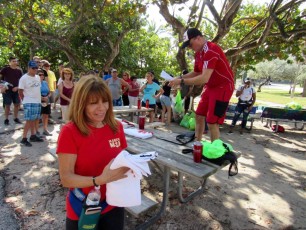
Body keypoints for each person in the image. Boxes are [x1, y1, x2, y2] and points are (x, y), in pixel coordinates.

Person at [57, 75, 129, 230]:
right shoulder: (70, 132)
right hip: (83, 207)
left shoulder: (116, 127)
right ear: (81, 104)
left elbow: (122, 160)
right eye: (93, 103)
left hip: (114, 203)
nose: (101, 107)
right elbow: (66, 178)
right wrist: (99, 180)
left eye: (105, 101)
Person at [169, 28, 234, 142]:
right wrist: (179, 78)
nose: (190, 47)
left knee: (212, 122)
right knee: (199, 116)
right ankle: (197, 143)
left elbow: (204, 78)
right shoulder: (198, 54)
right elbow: (196, 72)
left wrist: (182, 82)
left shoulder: (211, 50)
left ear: (198, 38)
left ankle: (215, 151)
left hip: (223, 87)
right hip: (210, 87)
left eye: (190, 44)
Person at [18, 61, 44, 147]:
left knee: (35, 119)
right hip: (29, 101)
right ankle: (24, 138)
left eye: (36, 68)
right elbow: (20, 91)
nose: (35, 69)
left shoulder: (37, 77)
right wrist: (25, 100)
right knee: (29, 121)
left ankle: (33, 136)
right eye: (33, 68)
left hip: (37, 101)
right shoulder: (24, 78)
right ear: (29, 68)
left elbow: (38, 89)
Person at [0, 57, 23, 125]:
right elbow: (0, 78)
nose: (15, 62)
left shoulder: (19, 71)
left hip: (16, 90)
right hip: (7, 90)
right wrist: (2, 87)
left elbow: (21, 81)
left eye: (16, 61)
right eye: (13, 61)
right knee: (7, 105)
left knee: (17, 105)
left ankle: (15, 118)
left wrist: (17, 87)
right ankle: (6, 119)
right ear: (10, 62)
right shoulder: (5, 69)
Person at [38, 69, 52, 136]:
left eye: (42, 74)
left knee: (46, 115)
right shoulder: (35, 83)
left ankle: (45, 130)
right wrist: (40, 97)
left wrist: (47, 97)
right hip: (38, 99)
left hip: (46, 99)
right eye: (39, 75)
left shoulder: (45, 82)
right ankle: (36, 132)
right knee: (37, 116)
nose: (41, 76)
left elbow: (49, 92)